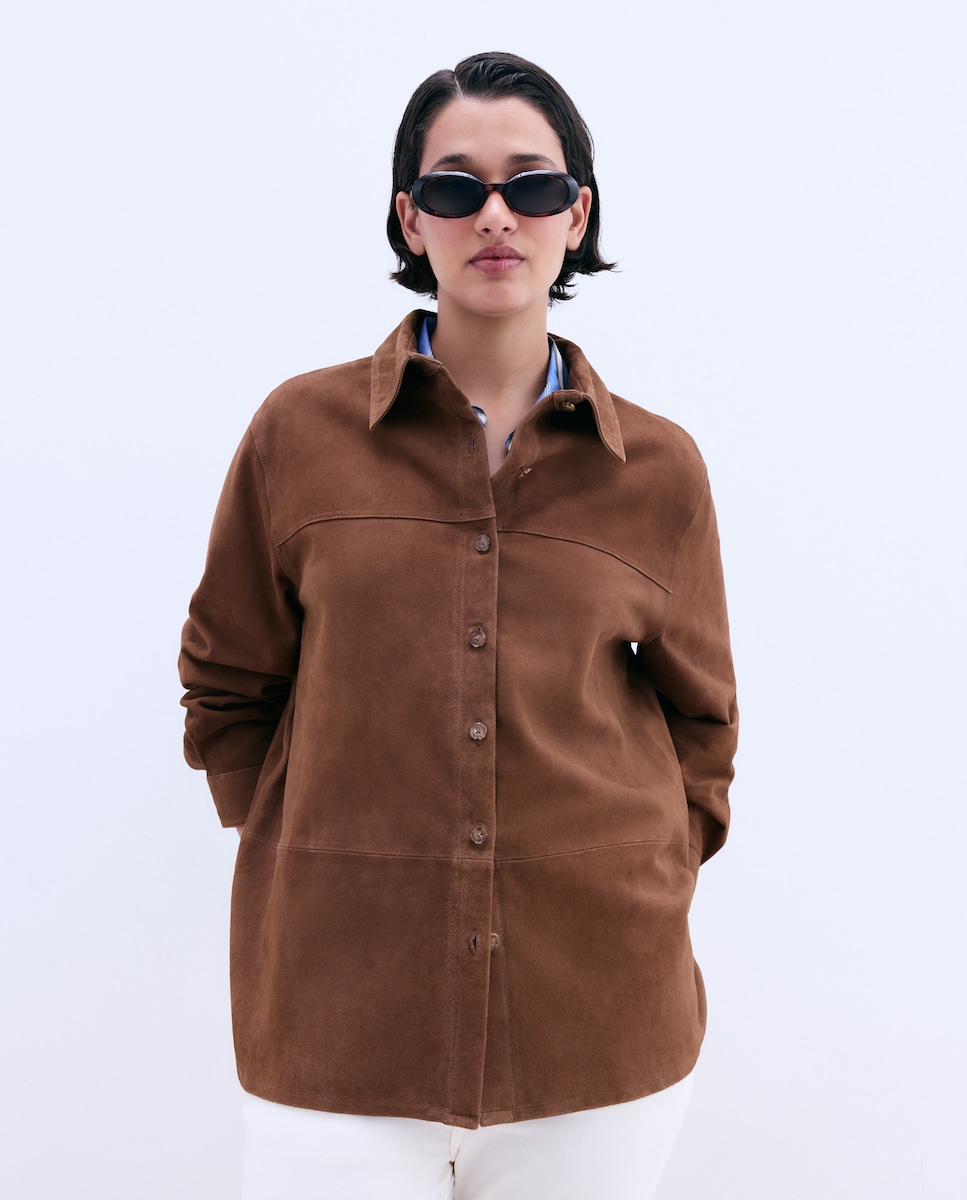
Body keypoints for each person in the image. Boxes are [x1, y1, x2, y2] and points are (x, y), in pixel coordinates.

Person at [179, 50, 738, 1200]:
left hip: (598, 1030)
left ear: (575, 216)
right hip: (336, 1026)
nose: (494, 215)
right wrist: (303, 844)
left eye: (532, 185)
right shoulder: (298, 435)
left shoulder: (658, 471)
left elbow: (703, 727)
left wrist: (639, 871)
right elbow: (227, 682)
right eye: (454, 187)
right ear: (409, 218)